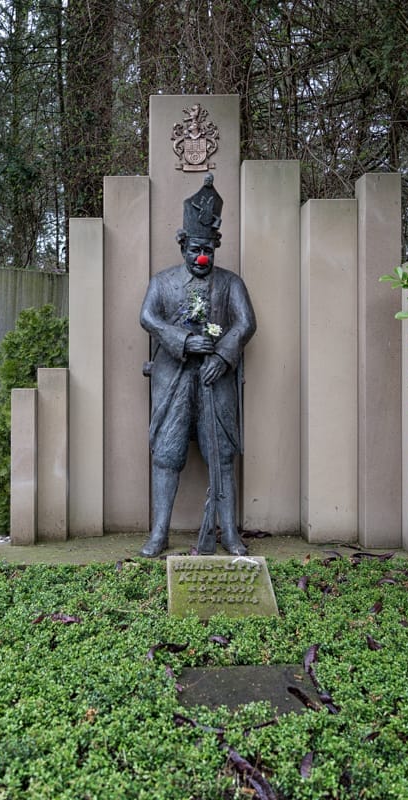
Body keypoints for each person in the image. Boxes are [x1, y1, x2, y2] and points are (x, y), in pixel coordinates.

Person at [139, 174, 256, 557]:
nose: (201, 257)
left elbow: (245, 323)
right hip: (173, 379)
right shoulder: (162, 282)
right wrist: (183, 340)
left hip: (214, 379)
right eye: (194, 249)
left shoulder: (231, 284)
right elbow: (148, 318)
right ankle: (159, 533)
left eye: (207, 250)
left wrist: (222, 355)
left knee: (221, 456)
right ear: (183, 246)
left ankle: (230, 534)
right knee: (167, 454)